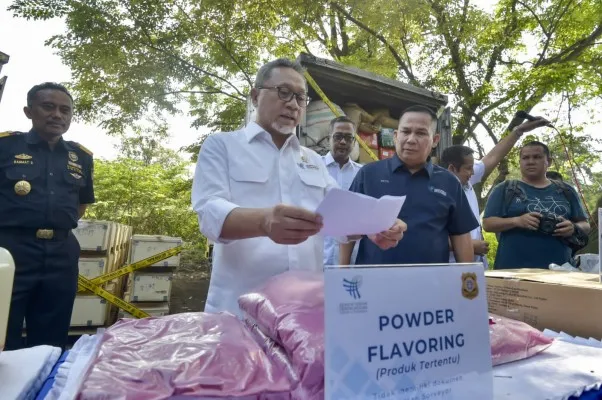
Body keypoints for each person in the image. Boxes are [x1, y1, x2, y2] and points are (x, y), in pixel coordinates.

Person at [192, 58, 406, 316]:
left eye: (300, 97)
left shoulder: (313, 160)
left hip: (304, 313)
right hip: (237, 309)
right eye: (283, 93)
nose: (293, 104)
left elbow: (338, 217)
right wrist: (263, 221)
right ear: (255, 96)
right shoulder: (222, 146)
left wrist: (375, 227)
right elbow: (208, 212)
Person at [0, 82, 95, 350]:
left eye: (65, 110)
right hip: (10, 251)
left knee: (52, 339)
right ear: (29, 111)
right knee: (3, 335)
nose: (57, 115)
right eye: (48, 107)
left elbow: (80, 204)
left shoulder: (80, 157)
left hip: (60, 254)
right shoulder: (5, 147)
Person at [339, 105, 478, 266]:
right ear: (396, 136)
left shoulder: (449, 182)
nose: (411, 139)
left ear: (435, 140)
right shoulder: (368, 174)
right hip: (374, 282)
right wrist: (342, 271)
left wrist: (468, 282)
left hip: (431, 284)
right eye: (406, 132)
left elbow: (460, 235)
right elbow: (346, 227)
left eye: (420, 133)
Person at [440, 118, 550, 267]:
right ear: (452, 169)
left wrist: (519, 131)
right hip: (449, 269)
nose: (473, 173)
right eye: (468, 169)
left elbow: (493, 156)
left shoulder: (466, 181)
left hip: (475, 269)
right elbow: (428, 236)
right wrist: (471, 245)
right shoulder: (435, 192)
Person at [483, 141, 590, 269]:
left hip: (560, 270)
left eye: (537, 157)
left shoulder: (566, 190)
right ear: (520, 162)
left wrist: (573, 228)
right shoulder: (505, 189)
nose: (530, 161)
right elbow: (488, 224)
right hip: (513, 271)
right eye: (525, 158)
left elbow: (585, 225)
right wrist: (517, 221)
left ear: (548, 161)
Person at [321, 116, 362, 266]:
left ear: (354, 142)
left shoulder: (363, 174)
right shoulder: (313, 168)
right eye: (338, 136)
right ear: (328, 139)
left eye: (348, 138)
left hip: (352, 262)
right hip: (317, 261)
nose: (343, 142)